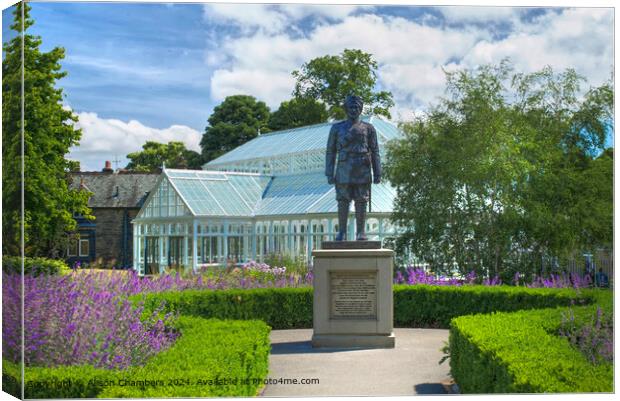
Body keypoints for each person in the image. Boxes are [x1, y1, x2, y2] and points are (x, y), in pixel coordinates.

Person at [325, 95, 381, 241]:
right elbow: (331, 151)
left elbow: (375, 151)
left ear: (361, 109)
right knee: (343, 200)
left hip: (362, 168)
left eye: (357, 107)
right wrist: (329, 173)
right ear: (346, 109)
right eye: (351, 107)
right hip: (343, 169)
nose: (354, 110)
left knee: (362, 200)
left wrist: (377, 172)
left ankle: (361, 232)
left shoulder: (369, 128)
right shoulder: (336, 128)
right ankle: (342, 232)